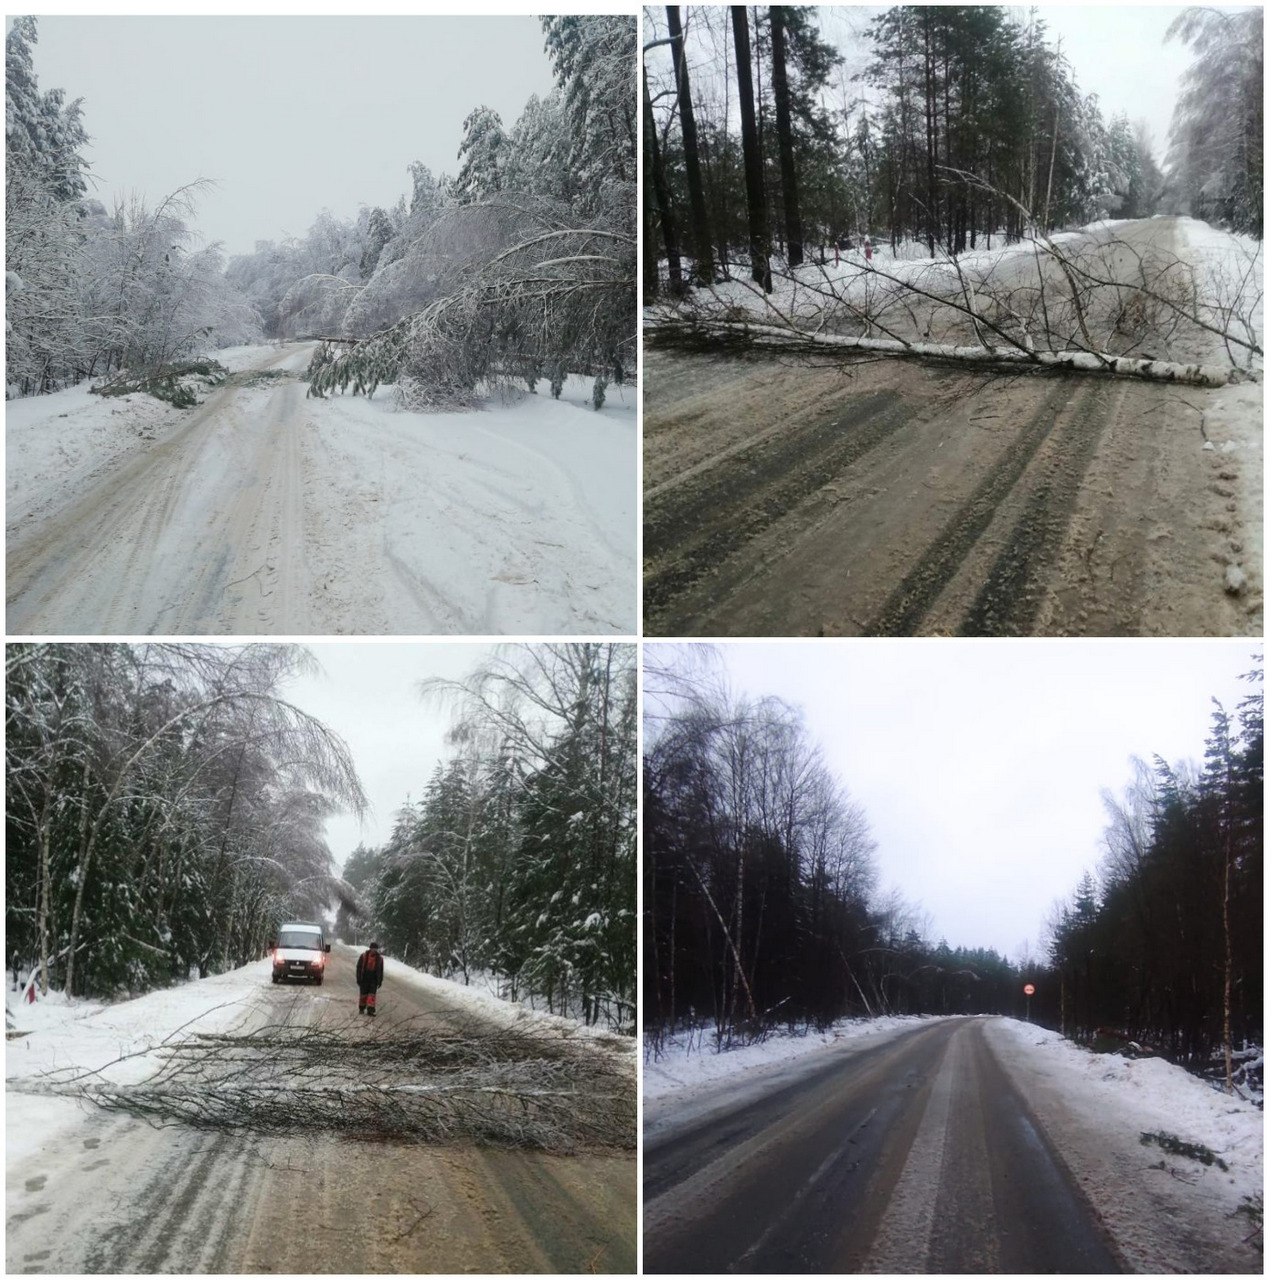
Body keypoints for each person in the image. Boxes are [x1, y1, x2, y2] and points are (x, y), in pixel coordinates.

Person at [356, 941, 384, 1016]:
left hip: (373, 978)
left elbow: (381, 971)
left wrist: (380, 981)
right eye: (373, 948)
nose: (374, 950)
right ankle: (361, 1008)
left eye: (375, 949)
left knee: (372, 995)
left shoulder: (380, 959)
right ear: (370, 948)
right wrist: (358, 978)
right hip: (364, 977)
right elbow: (359, 968)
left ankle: (370, 1010)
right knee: (363, 994)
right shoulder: (363, 956)